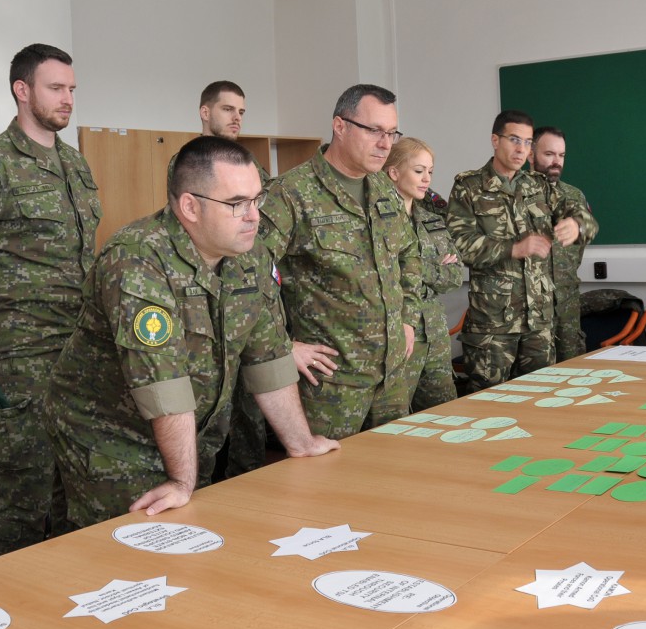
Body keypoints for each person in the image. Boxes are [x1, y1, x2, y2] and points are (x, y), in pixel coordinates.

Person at [44, 137, 338, 525]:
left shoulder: (249, 254)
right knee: (127, 543)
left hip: (189, 433)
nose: (254, 216)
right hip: (111, 438)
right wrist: (183, 481)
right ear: (190, 207)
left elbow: (268, 358)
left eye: (257, 199)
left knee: (189, 531)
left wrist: (301, 443)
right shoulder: (138, 258)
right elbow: (163, 384)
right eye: (237, 204)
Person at [0, 43, 100, 556]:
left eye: (72, 88)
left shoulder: (75, 164)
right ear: (22, 90)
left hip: (78, 350)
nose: (68, 98)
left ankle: (63, 588)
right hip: (20, 354)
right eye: (56, 88)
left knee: (76, 483)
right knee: (26, 490)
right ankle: (3, 591)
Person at [260, 83, 421, 439]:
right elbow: (246, 275)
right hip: (331, 385)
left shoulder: (384, 190)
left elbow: (409, 252)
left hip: (391, 378)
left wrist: (409, 318)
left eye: (392, 133)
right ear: (340, 126)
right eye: (375, 131)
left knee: (394, 468)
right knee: (327, 474)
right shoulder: (290, 194)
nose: (386, 144)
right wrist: (282, 346)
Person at [446, 110, 586, 391]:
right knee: (489, 402)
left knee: (544, 398)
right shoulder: (468, 187)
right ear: (495, 140)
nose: (522, 149)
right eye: (514, 140)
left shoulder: (538, 186)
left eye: (527, 142)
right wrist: (513, 248)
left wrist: (577, 224)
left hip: (539, 323)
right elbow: (460, 244)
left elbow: (582, 216)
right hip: (493, 325)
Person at [196, 80, 268, 480]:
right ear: (205, 112)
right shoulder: (194, 164)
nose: (237, 118)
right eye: (228, 109)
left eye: (241, 111)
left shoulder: (251, 166)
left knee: (249, 415)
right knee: (210, 420)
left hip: (248, 295)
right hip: (210, 304)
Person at [384, 137, 464, 410]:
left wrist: (413, 267)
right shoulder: (379, 222)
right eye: (419, 171)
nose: (427, 179)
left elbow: (454, 276)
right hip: (400, 334)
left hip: (435, 333)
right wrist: (433, 266)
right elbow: (385, 272)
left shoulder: (431, 219)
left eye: (430, 171)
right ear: (394, 172)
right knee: (396, 416)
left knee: (446, 413)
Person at [530, 126, 599, 359]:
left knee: (573, 370)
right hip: (530, 308)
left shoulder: (573, 195)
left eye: (561, 155)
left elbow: (591, 228)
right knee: (536, 374)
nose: (556, 162)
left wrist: (578, 225)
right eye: (549, 154)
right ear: (530, 154)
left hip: (566, 303)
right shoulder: (515, 195)